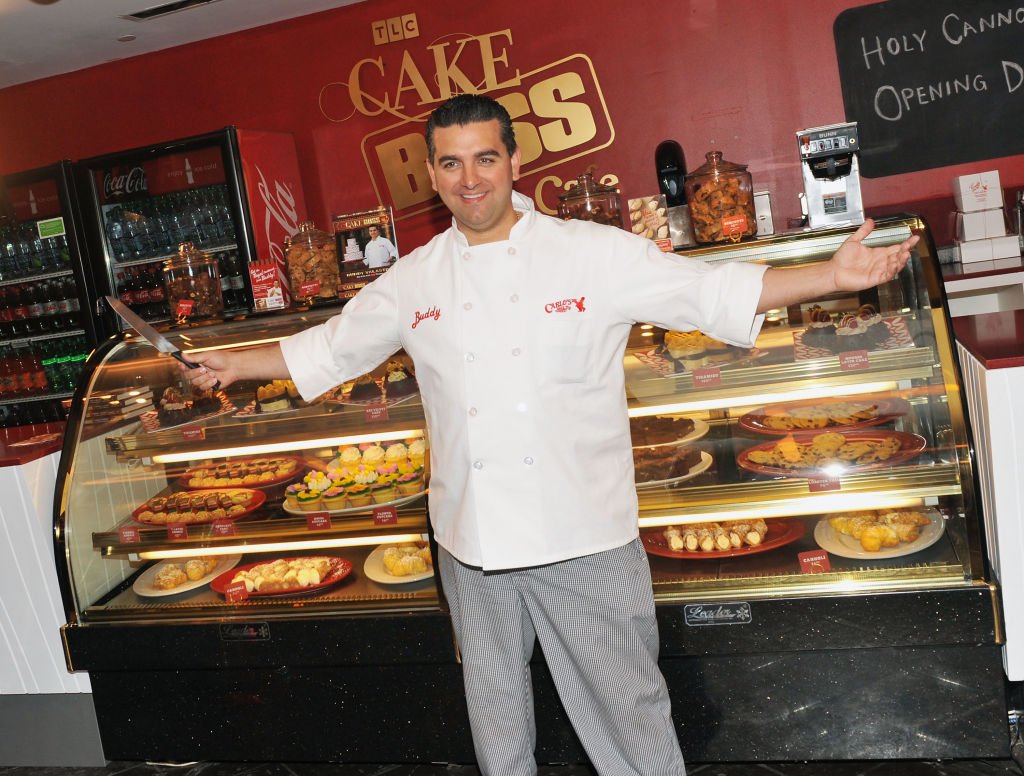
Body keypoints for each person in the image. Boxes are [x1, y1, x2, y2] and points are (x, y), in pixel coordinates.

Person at [180, 94, 917, 775]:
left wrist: (830, 276)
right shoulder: (415, 278)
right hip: (470, 545)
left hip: (585, 537)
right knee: (497, 726)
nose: (470, 179)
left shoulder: (588, 252)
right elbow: (329, 348)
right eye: (451, 162)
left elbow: (712, 291)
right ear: (432, 175)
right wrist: (231, 363)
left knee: (629, 716)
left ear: (514, 161)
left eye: (485, 158)